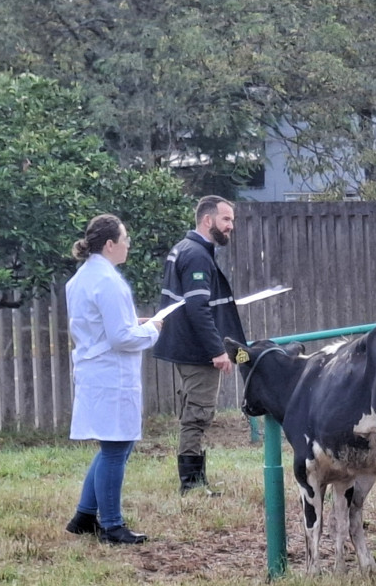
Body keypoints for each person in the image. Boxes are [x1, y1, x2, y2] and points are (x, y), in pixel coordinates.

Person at [64, 214, 163, 544]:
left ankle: (84, 515)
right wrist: (150, 330)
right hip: (110, 373)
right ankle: (111, 525)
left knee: (113, 444)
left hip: (96, 371)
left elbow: (105, 324)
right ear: (110, 245)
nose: (128, 245)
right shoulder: (108, 281)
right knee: (116, 446)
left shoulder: (82, 278)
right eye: (125, 240)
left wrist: (135, 322)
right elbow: (121, 338)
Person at [151, 194, 246, 494]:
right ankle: (191, 484)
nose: (231, 226)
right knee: (198, 413)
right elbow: (197, 308)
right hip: (197, 352)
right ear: (208, 220)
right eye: (226, 219)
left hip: (187, 348)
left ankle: (196, 480)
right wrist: (217, 350)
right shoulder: (196, 254)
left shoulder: (186, 248)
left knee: (195, 411)